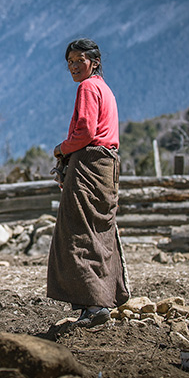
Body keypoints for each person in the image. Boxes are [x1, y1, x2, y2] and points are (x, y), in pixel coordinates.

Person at [47, 38, 130, 327]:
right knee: (99, 231)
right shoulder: (105, 89)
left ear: (93, 61)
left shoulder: (87, 87)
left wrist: (61, 149)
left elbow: (84, 133)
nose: (73, 67)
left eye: (78, 61)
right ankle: (104, 298)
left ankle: (93, 306)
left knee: (78, 232)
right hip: (107, 166)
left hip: (89, 165)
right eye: (69, 62)